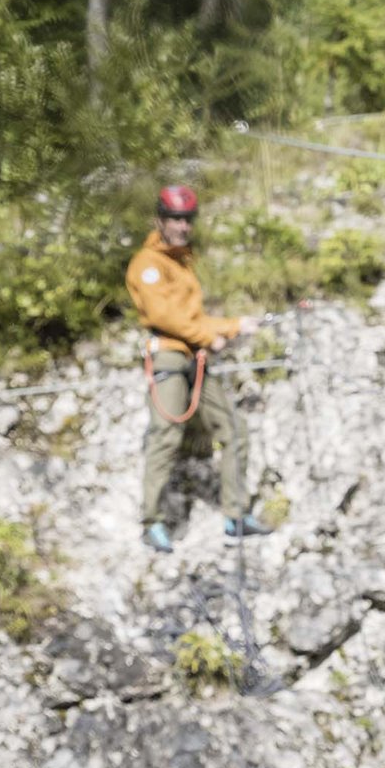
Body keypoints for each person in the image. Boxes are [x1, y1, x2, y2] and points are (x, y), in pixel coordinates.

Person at [127, 185, 274, 553]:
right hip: (169, 358)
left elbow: (194, 318)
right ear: (159, 219)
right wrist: (211, 334)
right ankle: (151, 522)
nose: (182, 225)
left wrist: (234, 324)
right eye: (175, 218)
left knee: (235, 430)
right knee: (167, 435)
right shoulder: (148, 265)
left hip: (196, 357)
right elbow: (165, 317)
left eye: (187, 219)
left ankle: (235, 517)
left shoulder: (181, 262)